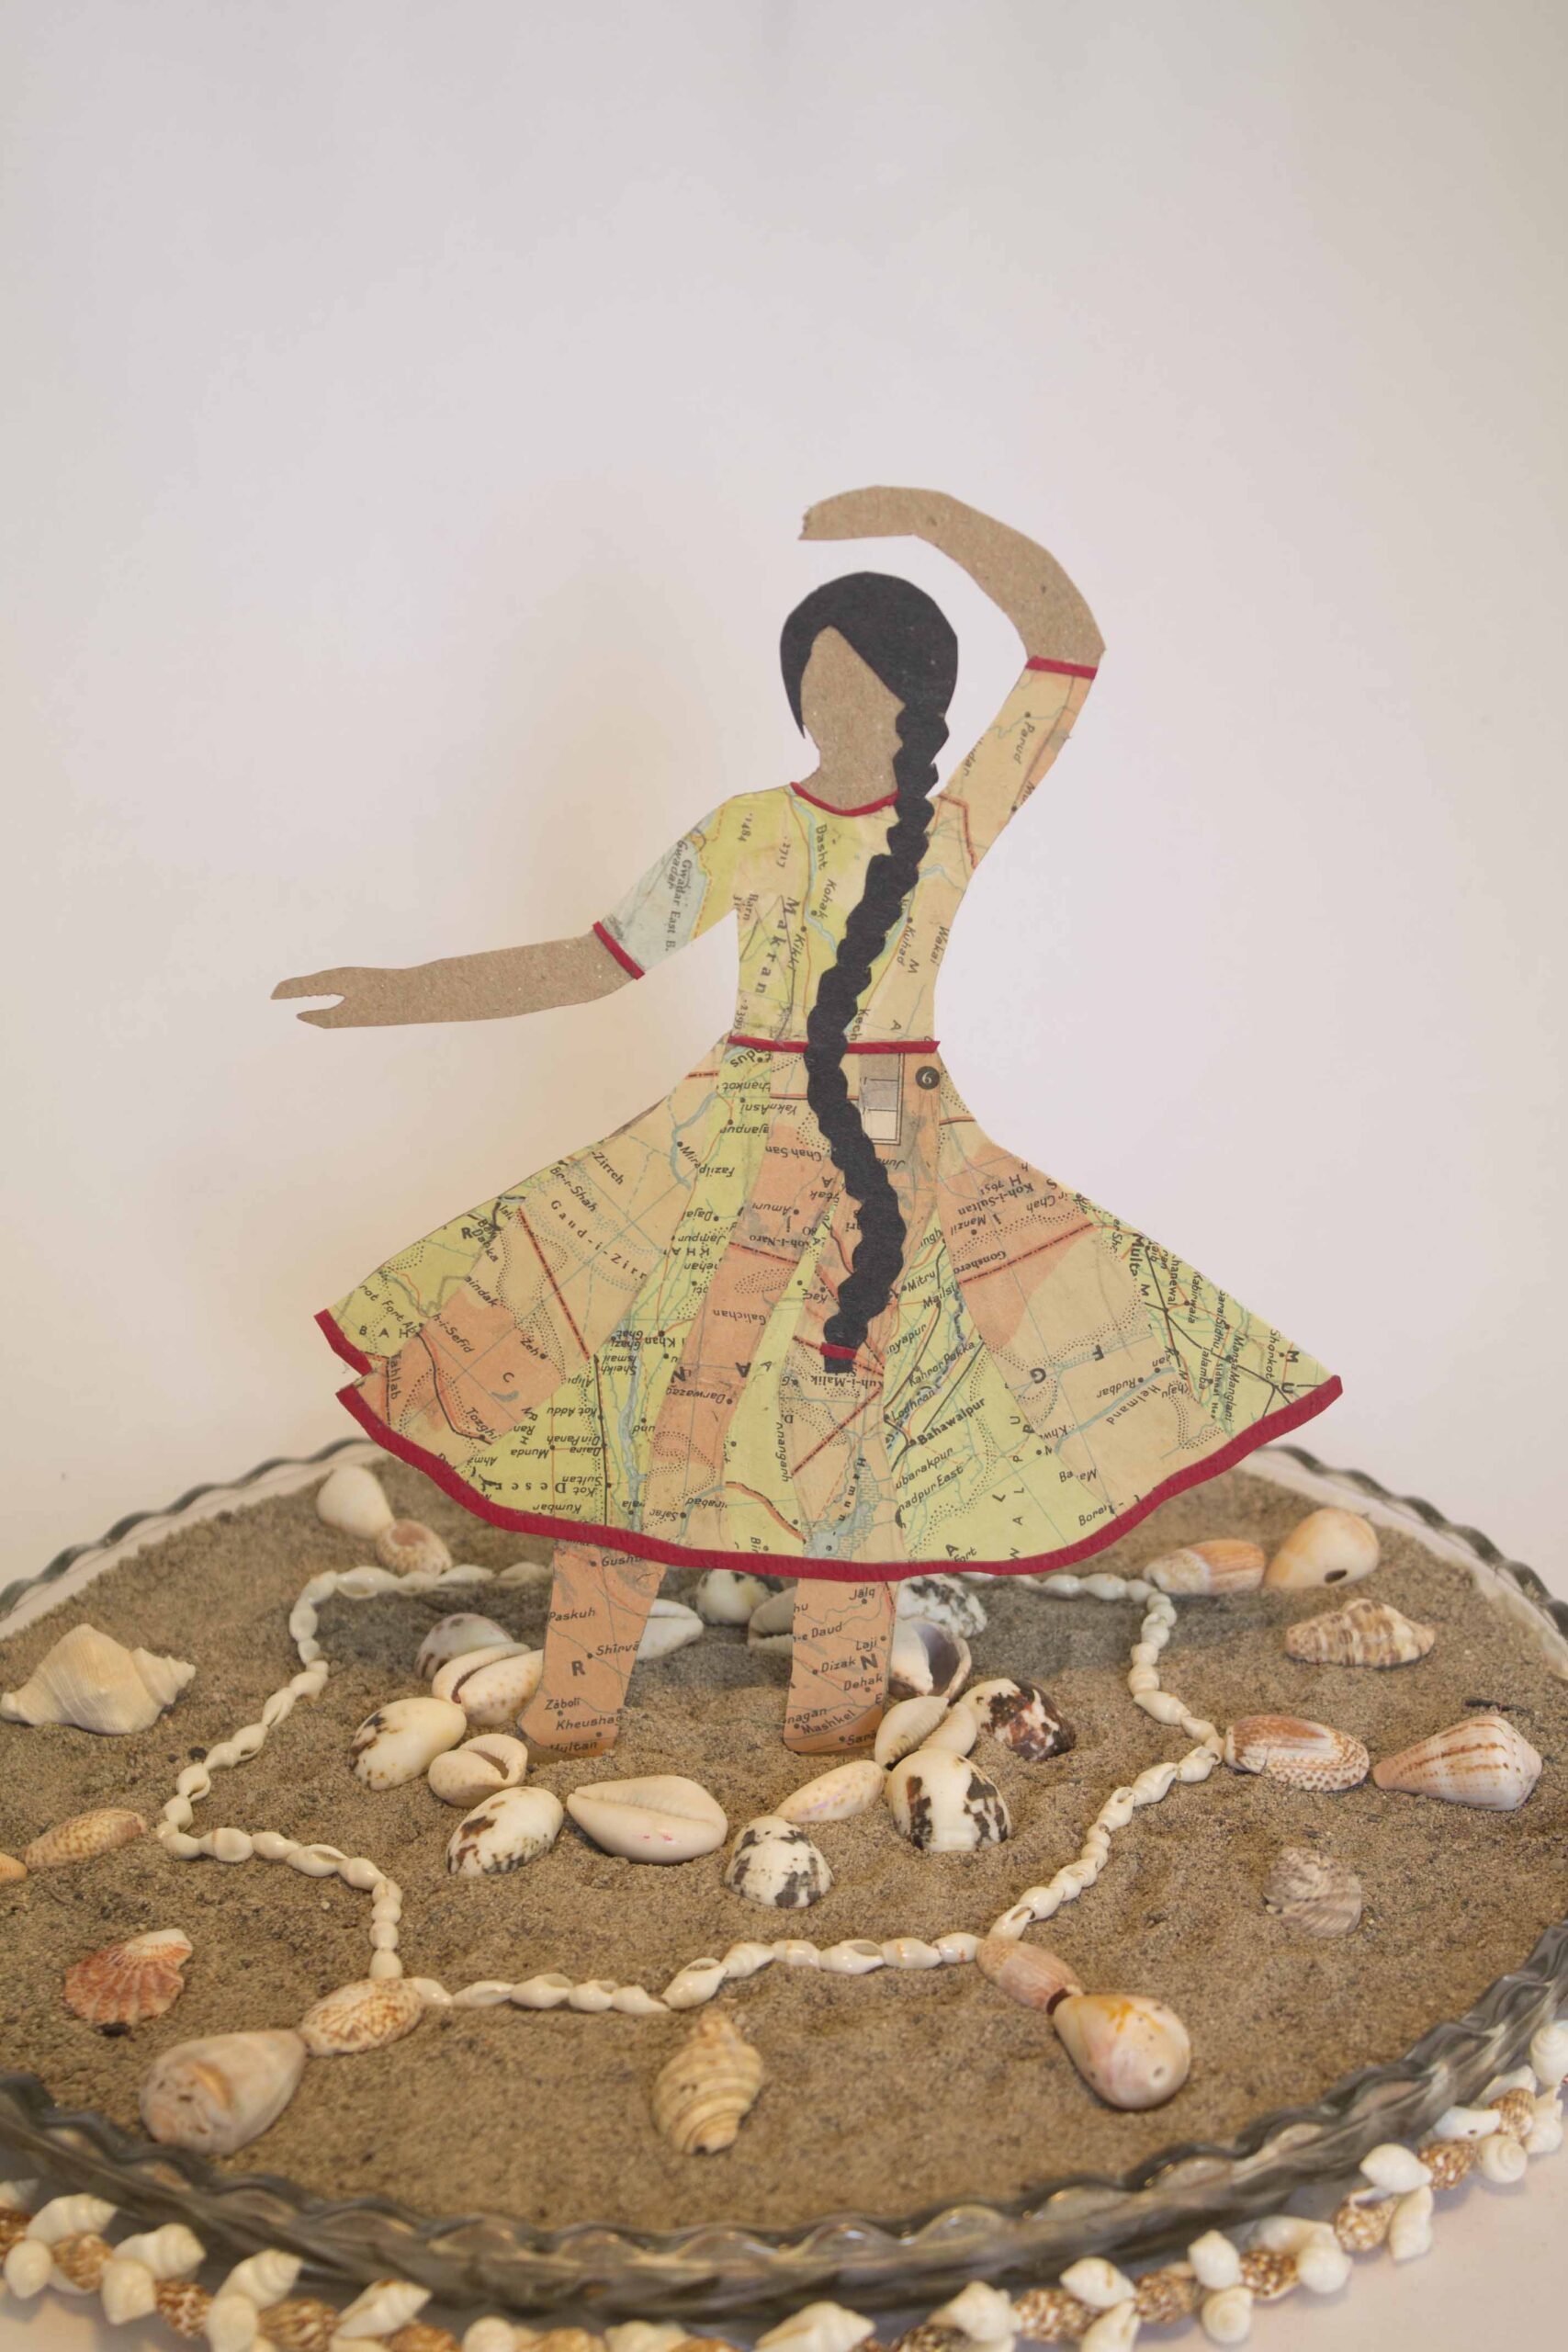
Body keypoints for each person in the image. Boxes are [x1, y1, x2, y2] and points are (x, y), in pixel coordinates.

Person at [276, 487, 1338, 1755]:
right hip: (725, 1132)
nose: (839, 712)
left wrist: (933, 518)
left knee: (851, 1435)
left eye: (867, 689)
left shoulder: (949, 827)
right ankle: (575, 1702)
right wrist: (400, 993)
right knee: (643, 1409)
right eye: (818, 687)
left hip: (896, 1137)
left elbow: (1068, 646)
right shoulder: (746, 829)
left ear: (917, 702)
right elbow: (596, 960)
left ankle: (835, 1718)